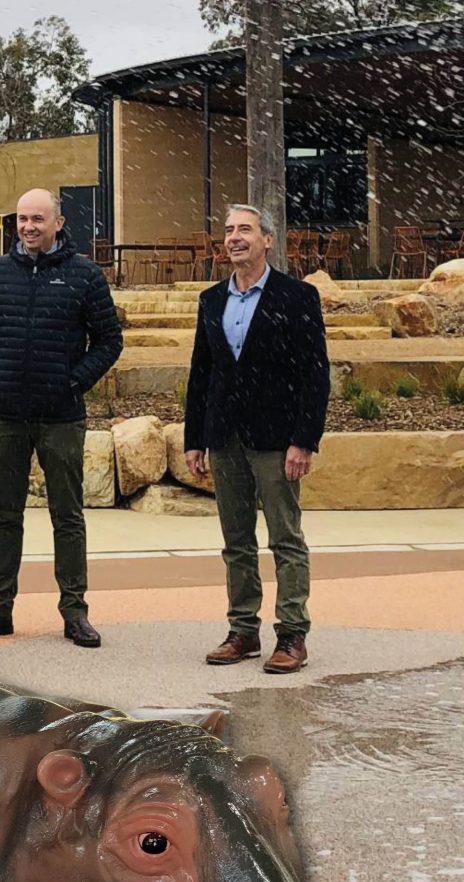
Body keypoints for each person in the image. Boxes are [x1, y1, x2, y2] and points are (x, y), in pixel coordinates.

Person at [0, 187, 123, 648]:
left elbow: (109, 340)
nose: (28, 227)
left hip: (61, 417)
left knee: (67, 517)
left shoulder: (84, 276)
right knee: (3, 516)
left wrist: (73, 382)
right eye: (22, 219)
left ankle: (74, 611)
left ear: (58, 223)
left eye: (37, 219)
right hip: (5, 415)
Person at [184, 204, 330, 674]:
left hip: (276, 439)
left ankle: (291, 634)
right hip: (225, 438)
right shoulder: (211, 300)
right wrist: (194, 438)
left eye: (244, 229)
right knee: (236, 540)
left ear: (269, 239)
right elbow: (201, 374)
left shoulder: (297, 297)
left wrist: (304, 439)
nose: (234, 238)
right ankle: (243, 630)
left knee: (285, 538)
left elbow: (315, 374)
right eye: (228, 231)